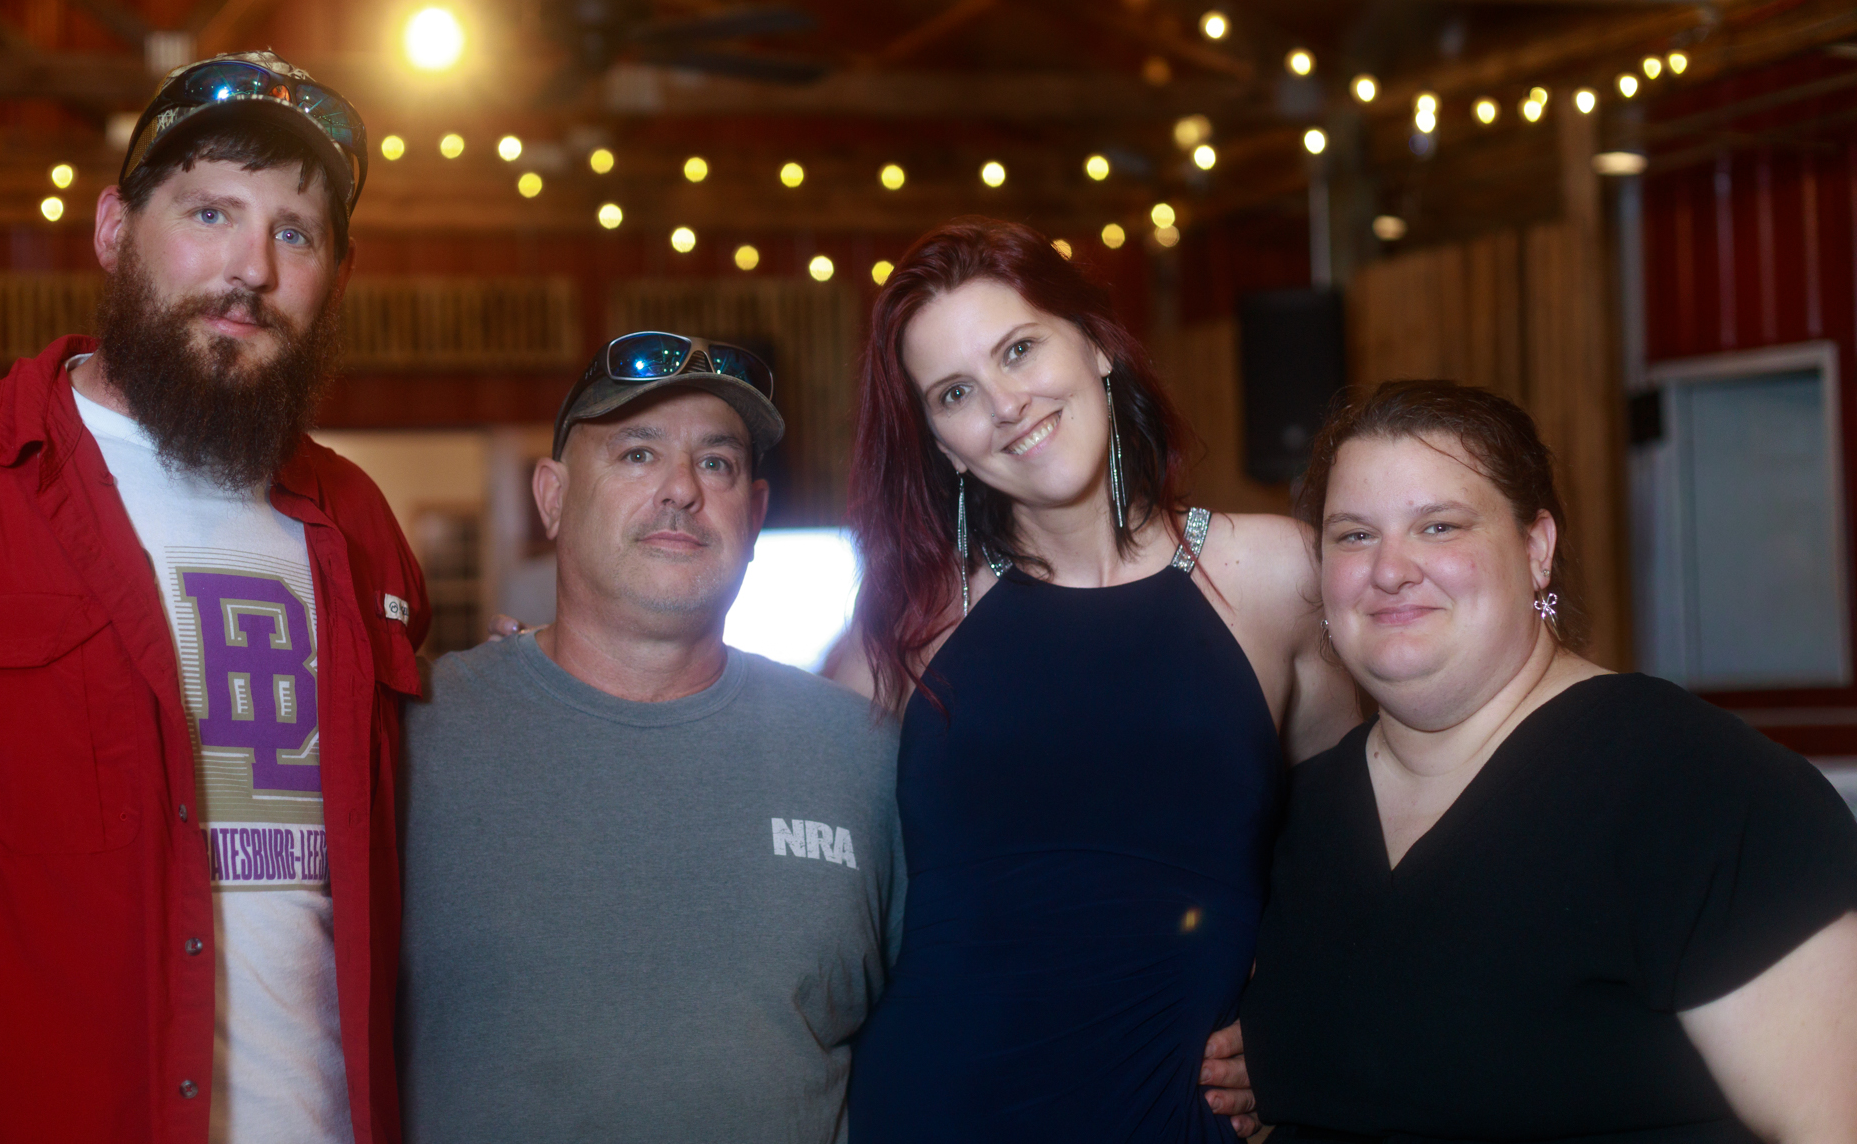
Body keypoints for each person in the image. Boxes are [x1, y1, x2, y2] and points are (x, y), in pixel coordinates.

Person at [0, 51, 430, 1144]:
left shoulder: (360, 524)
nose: (250, 268)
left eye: (295, 233)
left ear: (336, 276)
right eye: (209, 212)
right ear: (112, 229)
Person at [839, 218, 1362, 1142]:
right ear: (944, 443)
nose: (1005, 403)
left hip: (1186, 1111)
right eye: (956, 392)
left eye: (1019, 349)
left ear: (1094, 344)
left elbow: (1350, 846)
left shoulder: (1275, 573)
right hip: (943, 1107)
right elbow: (790, 850)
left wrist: (1299, 1013)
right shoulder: (910, 629)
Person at [1241, 380, 1857, 1144]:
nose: (1390, 569)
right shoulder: (1294, 812)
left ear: (1536, 549)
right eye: (1354, 535)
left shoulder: (1702, 786)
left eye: (1439, 526)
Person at [395, 333, 903, 1144]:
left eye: (717, 463)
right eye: (637, 453)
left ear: (755, 514)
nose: (681, 489)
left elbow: (963, 1030)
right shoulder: (414, 733)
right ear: (552, 497)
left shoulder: (863, 755)